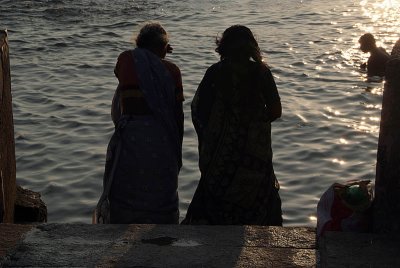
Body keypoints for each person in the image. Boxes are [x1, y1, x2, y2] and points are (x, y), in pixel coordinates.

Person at [182, 25, 283, 225]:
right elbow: (276, 111)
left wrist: (214, 132)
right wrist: (254, 125)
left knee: (215, 191)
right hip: (254, 152)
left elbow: (199, 109)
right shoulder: (261, 73)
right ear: (251, 47)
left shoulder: (215, 72)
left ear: (223, 47)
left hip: (220, 152)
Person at [96, 22, 184, 224]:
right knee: (161, 191)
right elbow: (177, 114)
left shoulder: (126, 59)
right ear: (164, 47)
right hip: (163, 136)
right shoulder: (173, 70)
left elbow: (122, 73)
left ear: (138, 43)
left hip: (132, 137)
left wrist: (150, 54)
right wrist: (176, 146)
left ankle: (122, 229)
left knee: (128, 188)